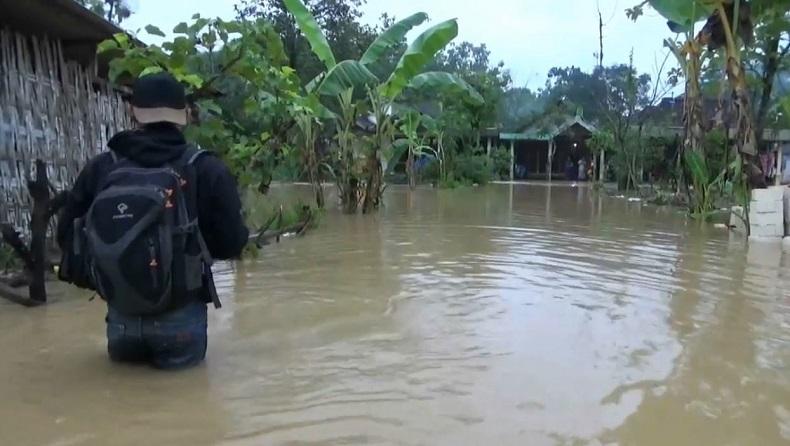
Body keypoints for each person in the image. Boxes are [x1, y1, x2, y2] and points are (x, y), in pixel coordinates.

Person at [57, 72, 249, 369]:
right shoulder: (205, 168)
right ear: (185, 115)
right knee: (182, 396)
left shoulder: (102, 168)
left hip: (120, 320)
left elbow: (67, 237)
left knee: (122, 395)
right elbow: (232, 244)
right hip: (181, 321)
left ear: (132, 112)